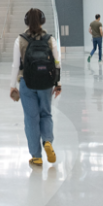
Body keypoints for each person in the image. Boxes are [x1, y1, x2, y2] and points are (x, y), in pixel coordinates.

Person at [9, 9, 61, 166]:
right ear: (43, 20)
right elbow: (57, 62)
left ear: (26, 21)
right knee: (46, 114)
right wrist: (58, 83)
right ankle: (47, 141)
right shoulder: (50, 39)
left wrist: (12, 86)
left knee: (31, 119)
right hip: (46, 83)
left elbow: (15, 65)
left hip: (27, 82)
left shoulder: (20, 40)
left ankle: (36, 156)